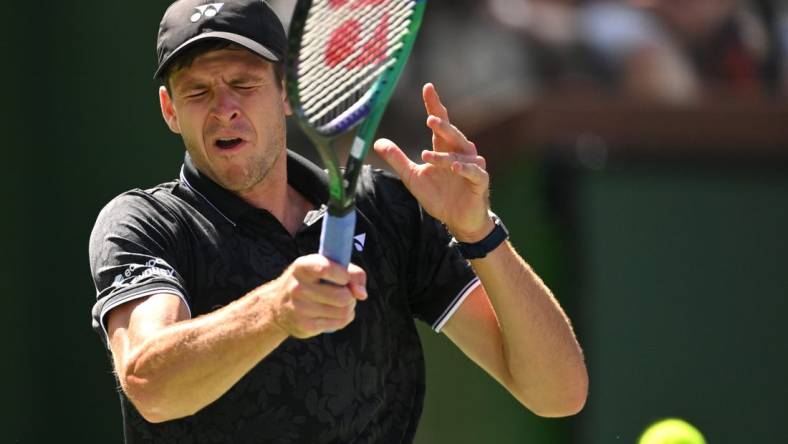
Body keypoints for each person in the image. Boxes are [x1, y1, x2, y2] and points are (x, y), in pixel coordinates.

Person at [88, 0, 588, 442]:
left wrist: (480, 234)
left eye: (244, 83)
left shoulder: (389, 212)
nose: (225, 109)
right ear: (169, 110)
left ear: (286, 92)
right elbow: (150, 386)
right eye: (197, 92)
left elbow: (557, 392)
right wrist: (275, 311)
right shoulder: (145, 223)